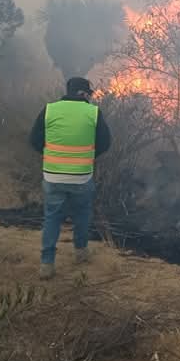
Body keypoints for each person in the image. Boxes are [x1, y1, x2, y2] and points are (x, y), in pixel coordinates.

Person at [28, 77, 111, 280]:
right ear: (83, 94)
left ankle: (47, 263)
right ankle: (81, 252)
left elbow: (34, 140)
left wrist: (49, 154)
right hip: (81, 177)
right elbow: (106, 142)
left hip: (53, 175)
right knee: (82, 213)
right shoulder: (93, 113)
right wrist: (88, 156)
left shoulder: (49, 110)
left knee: (52, 217)